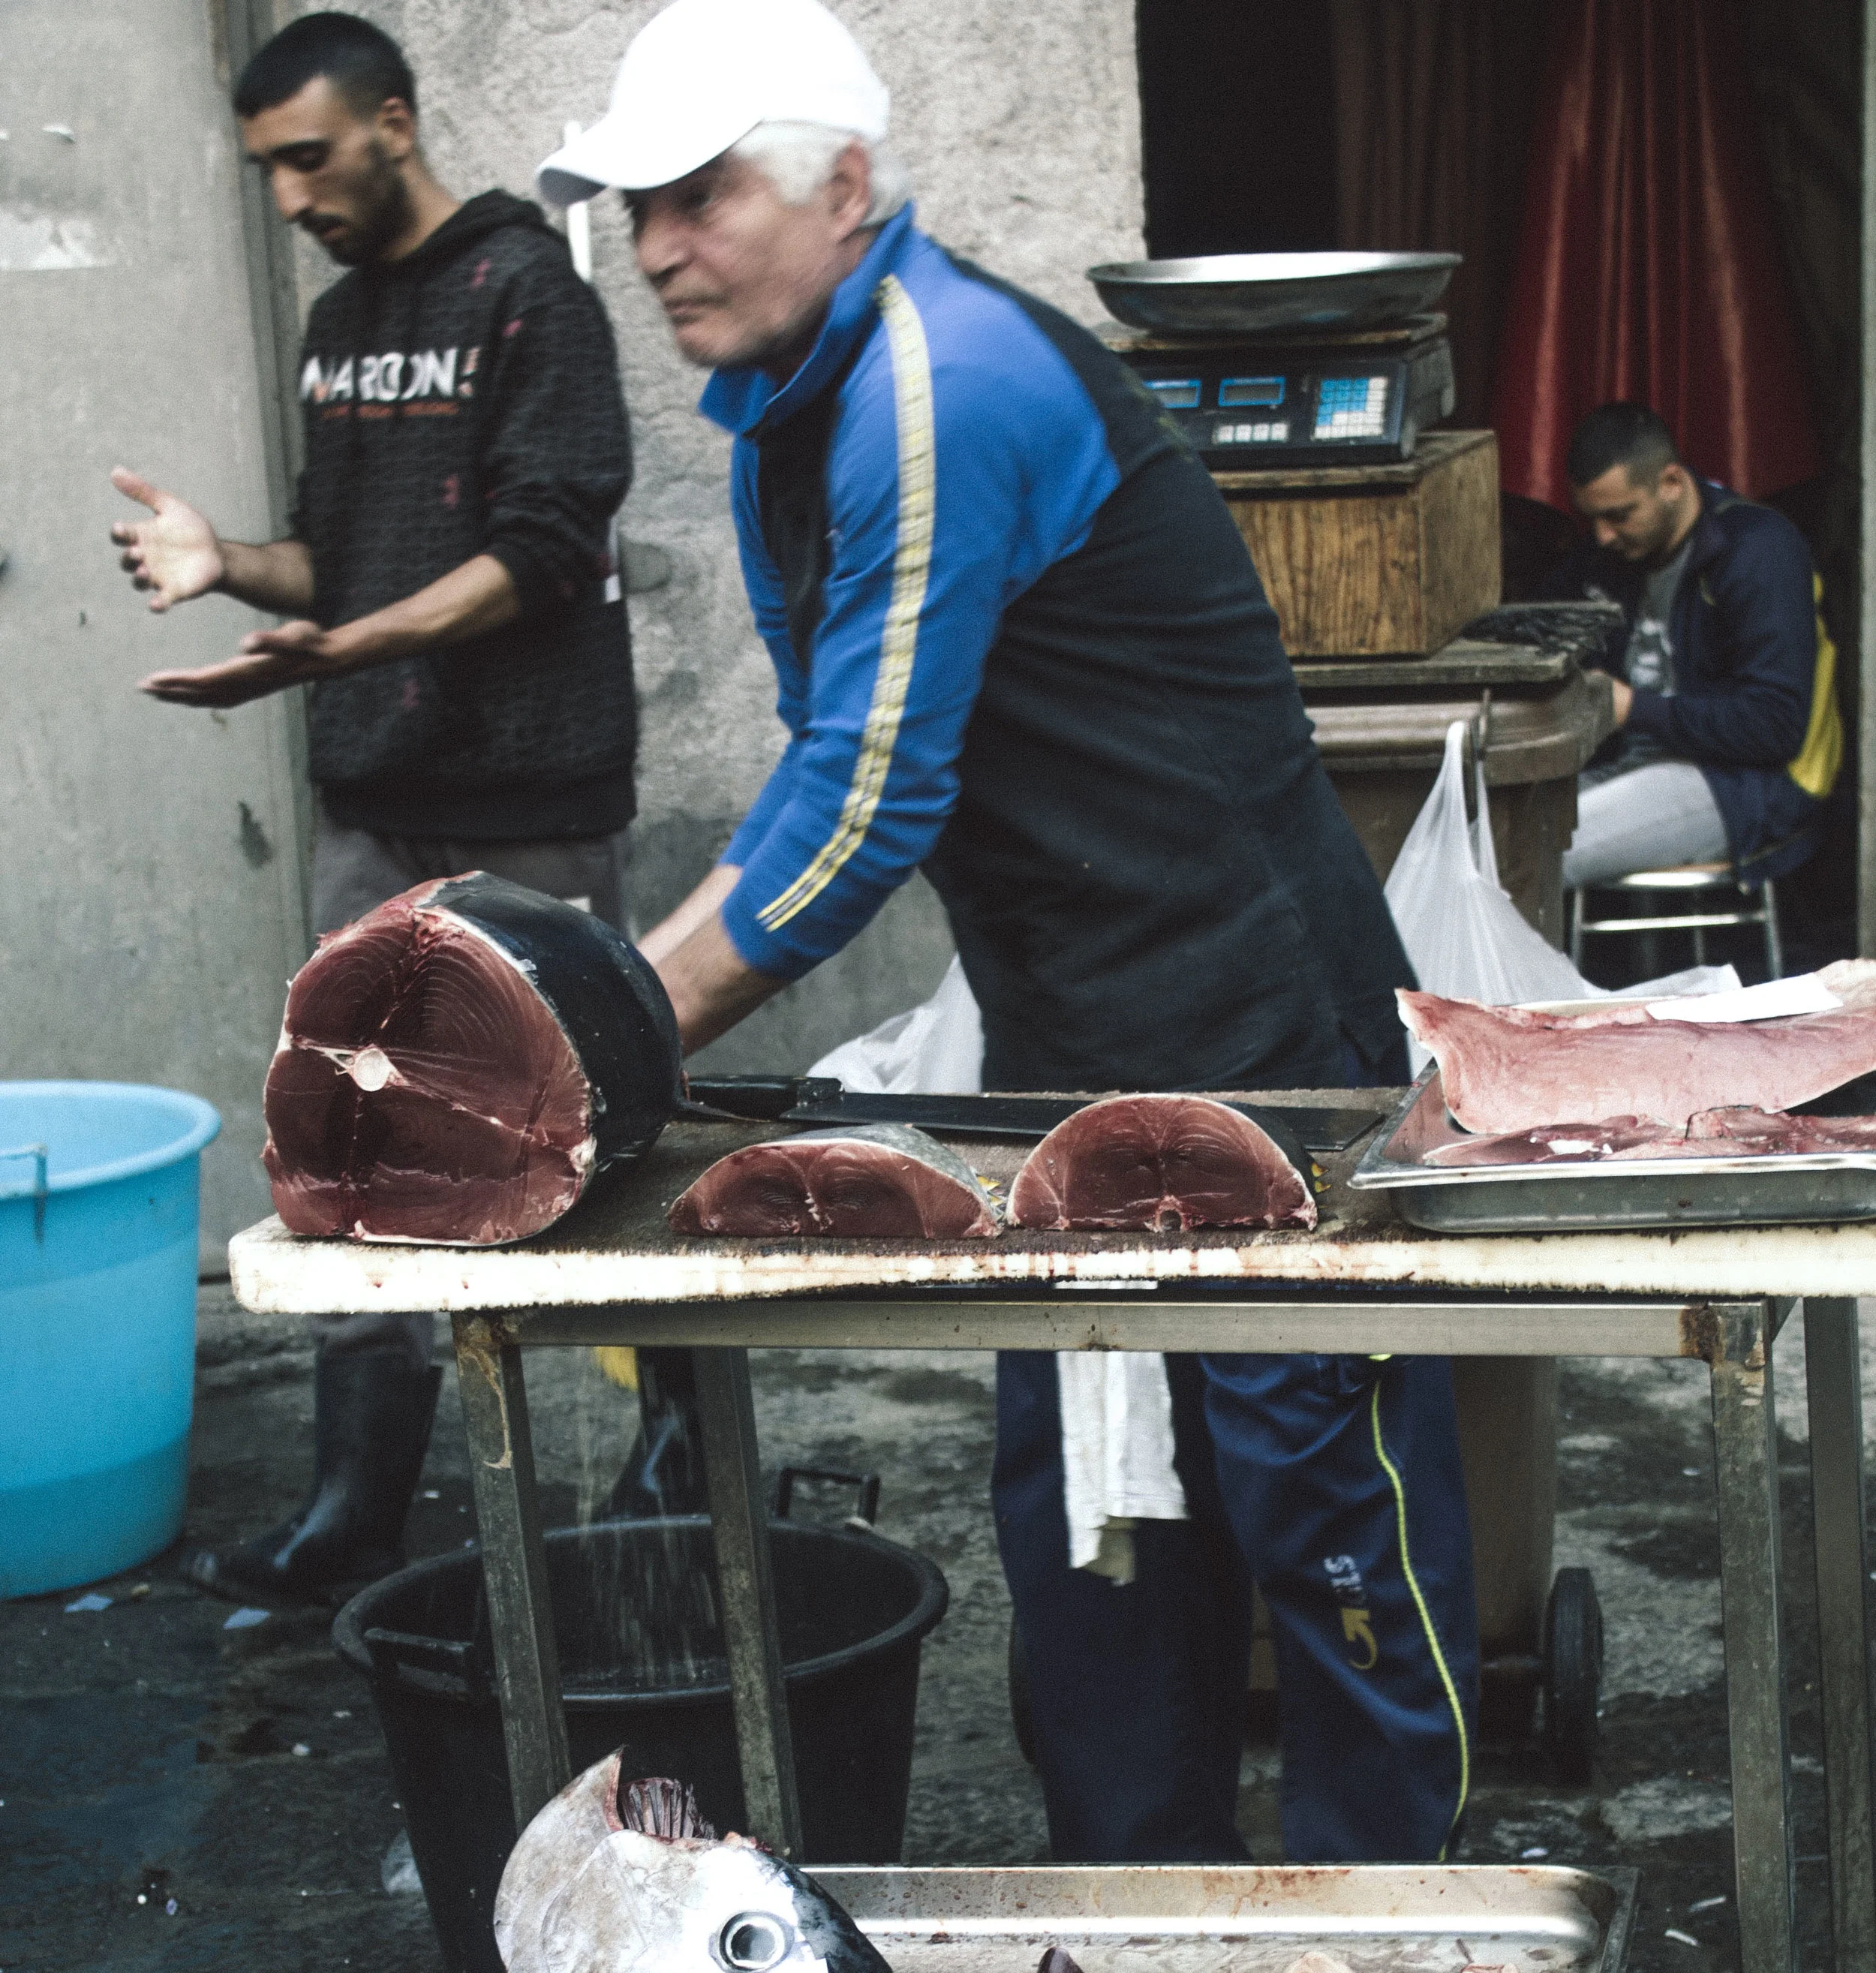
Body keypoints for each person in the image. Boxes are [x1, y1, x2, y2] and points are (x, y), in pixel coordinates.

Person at [541, 0, 1478, 1866]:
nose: (654, 248)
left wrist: (589, 1051)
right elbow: (832, 767)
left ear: (848, 186)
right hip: (1060, 1060)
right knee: (1095, 1540)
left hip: (1260, 1030)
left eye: (699, 194)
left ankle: (1413, 1952)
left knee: (1319, 1515)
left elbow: (863, 812)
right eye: (636, 205)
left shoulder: (941, 381)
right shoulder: (778, 425)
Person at [112, 11, 639, 1604]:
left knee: (580, 1142)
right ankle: (353, 1514)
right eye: (264, 168)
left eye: (308, 156)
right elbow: (345, 559)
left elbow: (546, 545)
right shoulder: (338, 324)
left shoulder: (529, 293)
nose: (286, 194)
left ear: (393, 124)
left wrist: (347, 641)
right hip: (373, 799)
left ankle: (657, 1473)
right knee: (350, 1142)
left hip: (527, 798)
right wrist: (233, 569)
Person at [1545, 402, 1841, 893]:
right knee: (1481, 836)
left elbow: (1775, 727)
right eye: (1591, 519)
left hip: (1746, 784)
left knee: (1533, 854)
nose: (1602, 536)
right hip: (1633, 766)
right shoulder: (1612, 553)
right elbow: (1543, 616)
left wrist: (1633, 709)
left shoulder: (1758, 552)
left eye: (1619, 516)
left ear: (1672, 483)